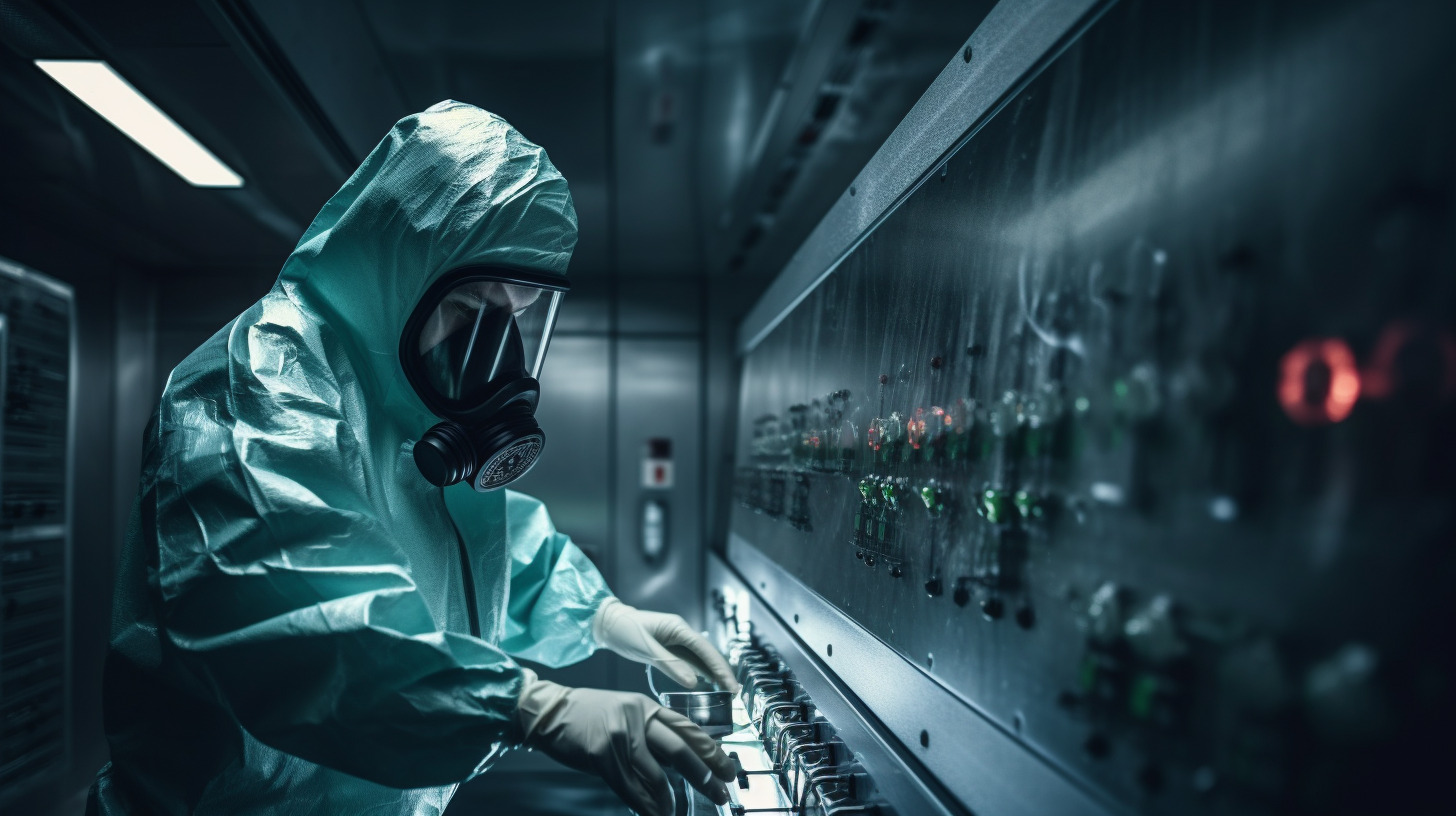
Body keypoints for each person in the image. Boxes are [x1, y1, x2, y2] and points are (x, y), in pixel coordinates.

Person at [87, 100, 737, 816]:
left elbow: (476, 549)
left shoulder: (405, 408)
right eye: (470, 310)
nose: (495, 350)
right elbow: (314, 629)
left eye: (514, 316)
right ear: (394, 268)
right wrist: (529, 706)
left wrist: (605, 616)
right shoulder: (258, 387)